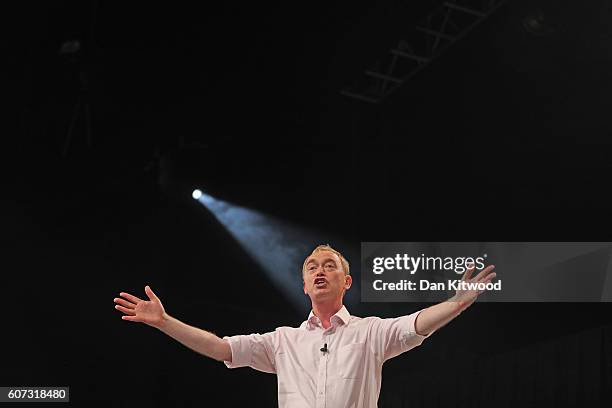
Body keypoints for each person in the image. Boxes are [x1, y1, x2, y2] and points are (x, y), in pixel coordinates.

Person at [114, 244, 496, 407]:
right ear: (303, 284)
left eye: (330, 265)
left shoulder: (370, 333)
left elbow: (416, 324)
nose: (320, 271)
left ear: (346, 282)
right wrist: (165, 322)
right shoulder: (283, 341)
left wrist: (456, 302)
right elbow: (222, 348)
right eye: (312, 266)